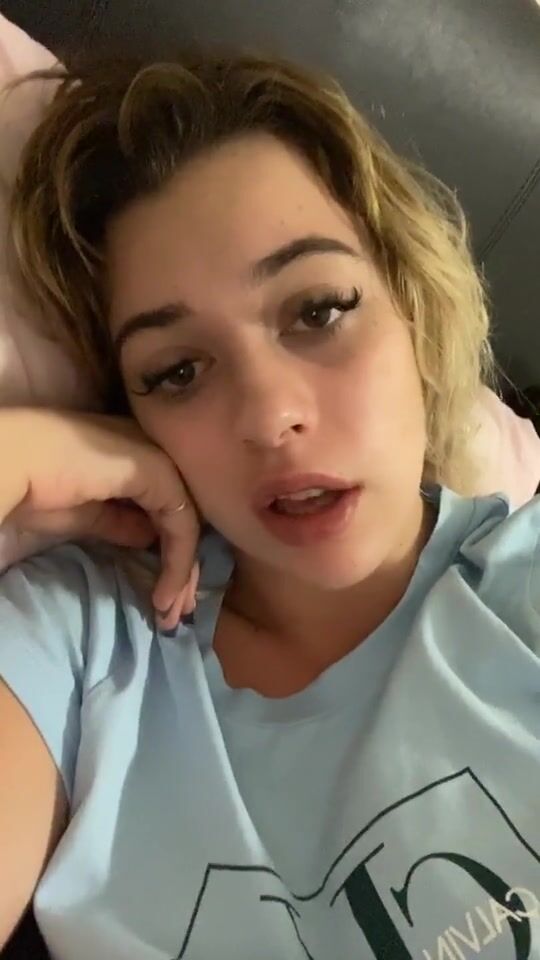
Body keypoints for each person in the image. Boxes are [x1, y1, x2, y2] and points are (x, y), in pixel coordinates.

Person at [0, 50, 539, 960]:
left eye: (318, 310)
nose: (269, 415)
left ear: (411, 302)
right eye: (177, 370)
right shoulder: (77, 645)